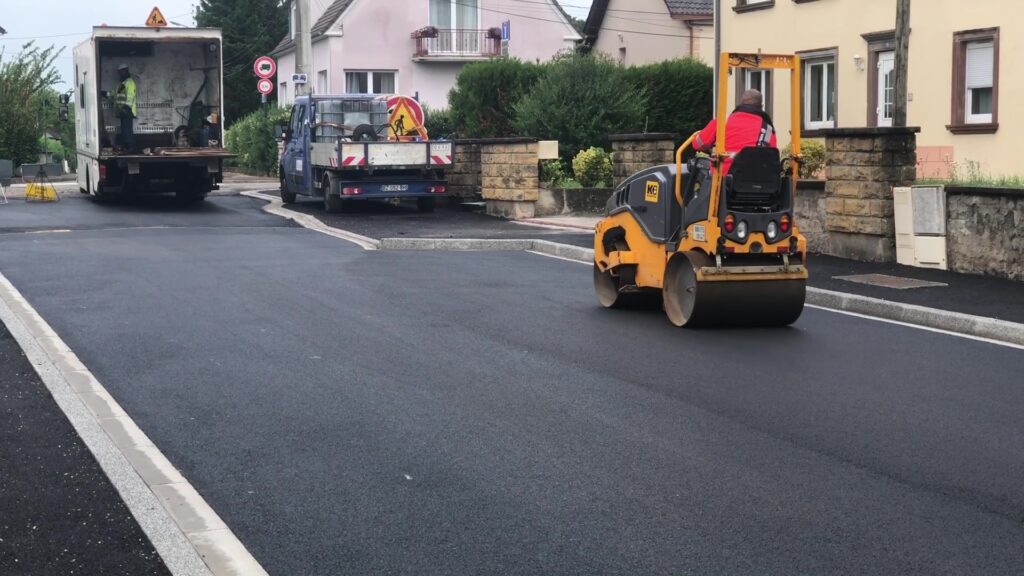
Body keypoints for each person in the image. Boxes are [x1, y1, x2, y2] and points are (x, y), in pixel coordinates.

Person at [694, 89, 777, 174]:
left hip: (723, 177)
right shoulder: (767, 128)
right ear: (761, 106)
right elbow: (771, 156)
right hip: (756, 179)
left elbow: (698, 144)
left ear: (741, 103)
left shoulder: (723, 121)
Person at [114, 64, 138, 152]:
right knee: (124, 130)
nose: (120, 74)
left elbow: (130, 96)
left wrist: (126, 108)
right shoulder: (122, 83)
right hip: (123, 111)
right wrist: (104, 93)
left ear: (126, 71)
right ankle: (127, 147)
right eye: (119, 72)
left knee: (127, 130)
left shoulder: (129, 83)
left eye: (121, 72)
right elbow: (115, 96)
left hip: (127, 110)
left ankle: (131, 148)